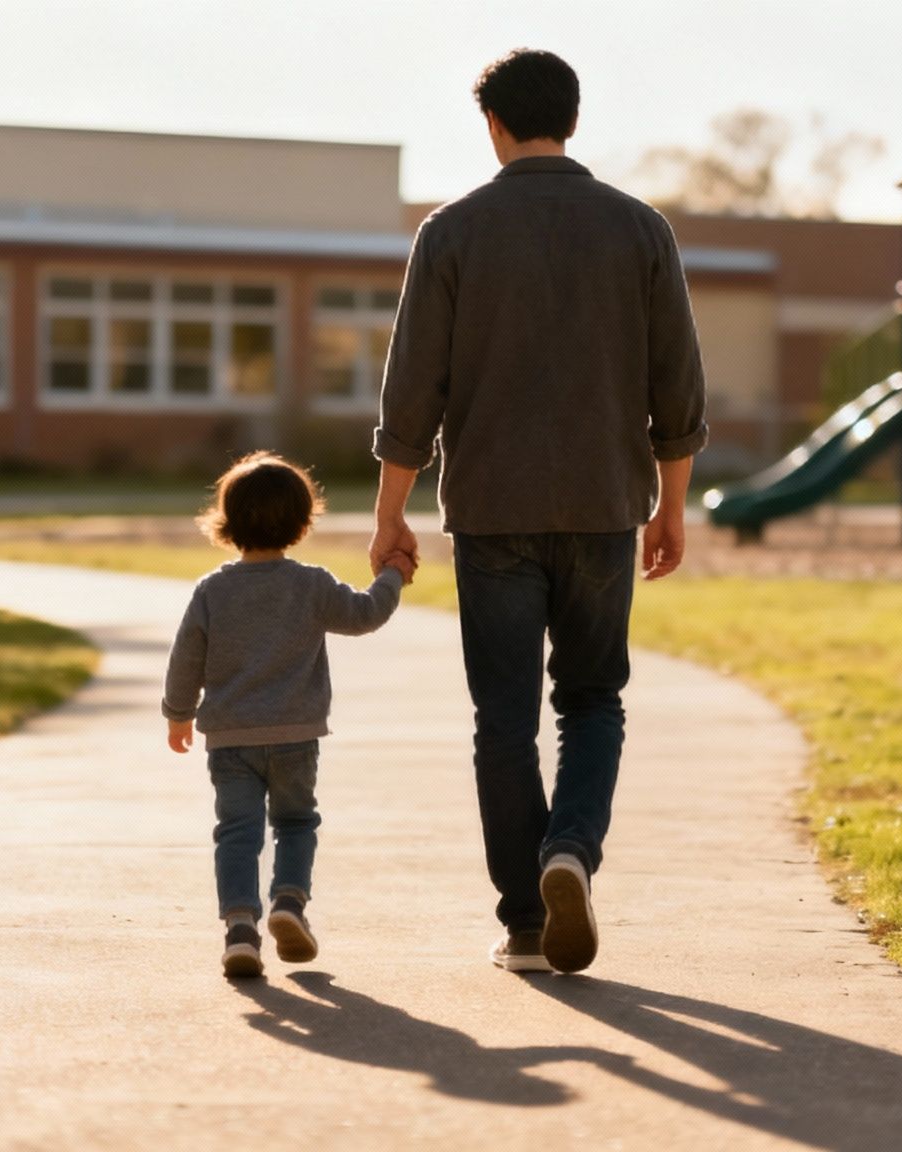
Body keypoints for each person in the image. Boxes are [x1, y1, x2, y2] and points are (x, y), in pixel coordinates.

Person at [369, 48, 708, 975]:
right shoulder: (642, 231)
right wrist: (671, 507)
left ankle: (525, 920)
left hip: (491, 511)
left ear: (493, 125)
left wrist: (390, 514)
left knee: (503, 719)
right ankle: (571, 853)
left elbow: (412, 393)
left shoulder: (451, 233)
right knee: (594, 700)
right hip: (605, 503)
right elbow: (678, 387)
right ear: (573, 118)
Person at [164, 452, 414, 979]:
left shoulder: (212, 591)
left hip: (230, 740)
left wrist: (178, 714)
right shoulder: (311, 585)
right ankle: (288, 904)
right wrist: (393, 575)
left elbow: (186, 656)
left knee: (237, 831)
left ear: (227, 522)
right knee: (296, 822)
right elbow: (366, 614)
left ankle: (239, 930)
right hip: (296, 737)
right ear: (302, 524)